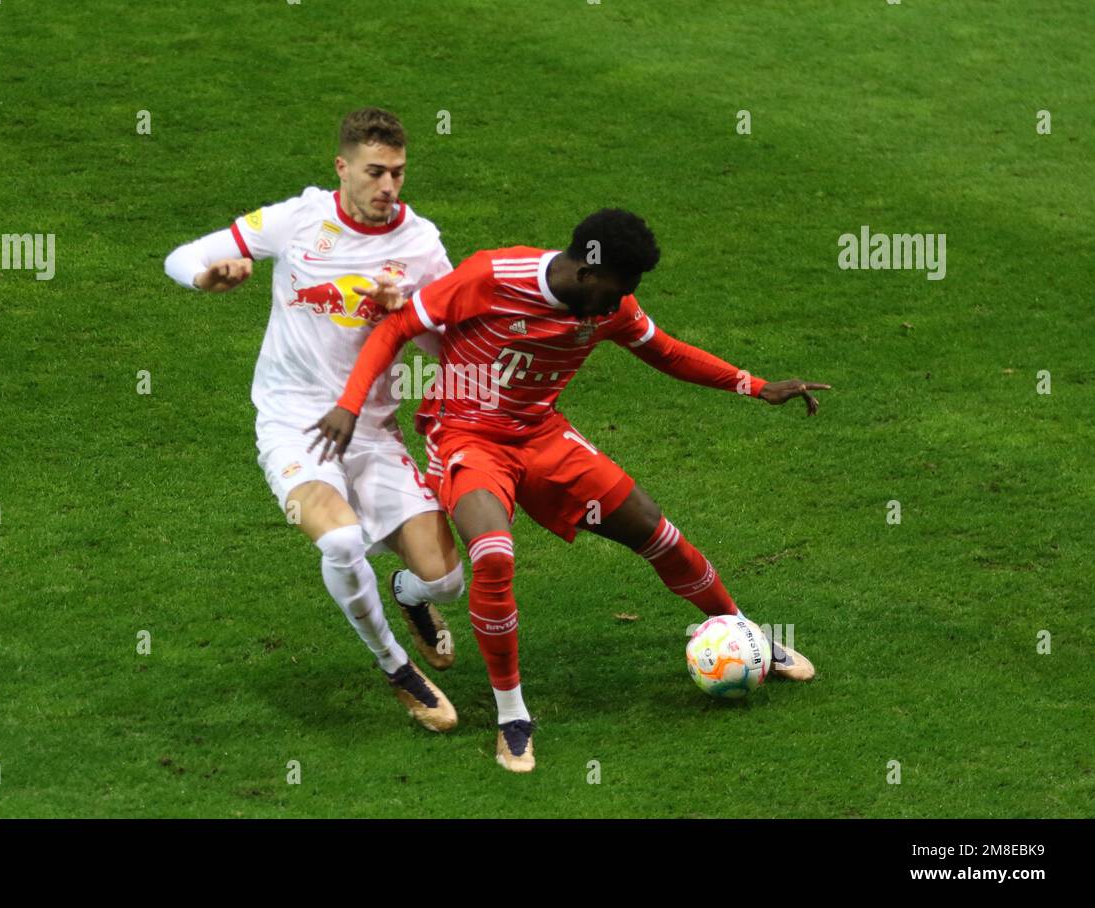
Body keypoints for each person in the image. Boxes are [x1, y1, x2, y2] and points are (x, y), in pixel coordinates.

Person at [309, 209, 829, 770]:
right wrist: (349, 403)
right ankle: (512, 715)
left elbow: (667, 352)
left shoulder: (610, 304)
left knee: (658, 533)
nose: (621, 304)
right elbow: (396, 327)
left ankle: (744, 633)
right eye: (618, 289)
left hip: (541, 434)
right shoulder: (491, 277)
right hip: (468, 437)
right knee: (493, 557)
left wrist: (754, 387)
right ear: (586, 272)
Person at [164, 108, 465, 733]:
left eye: (399, 173)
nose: (388, 187)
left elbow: (448, 347)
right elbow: (183, 255)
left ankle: (408, 596)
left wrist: (406, 313)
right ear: (343, 168)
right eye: (375, 172)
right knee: (340, 540)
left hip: (373, 430)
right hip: (294, 424)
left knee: (449, 581)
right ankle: (397, 669)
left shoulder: (422, 244)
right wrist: (205, 277)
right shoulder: (299, 218)